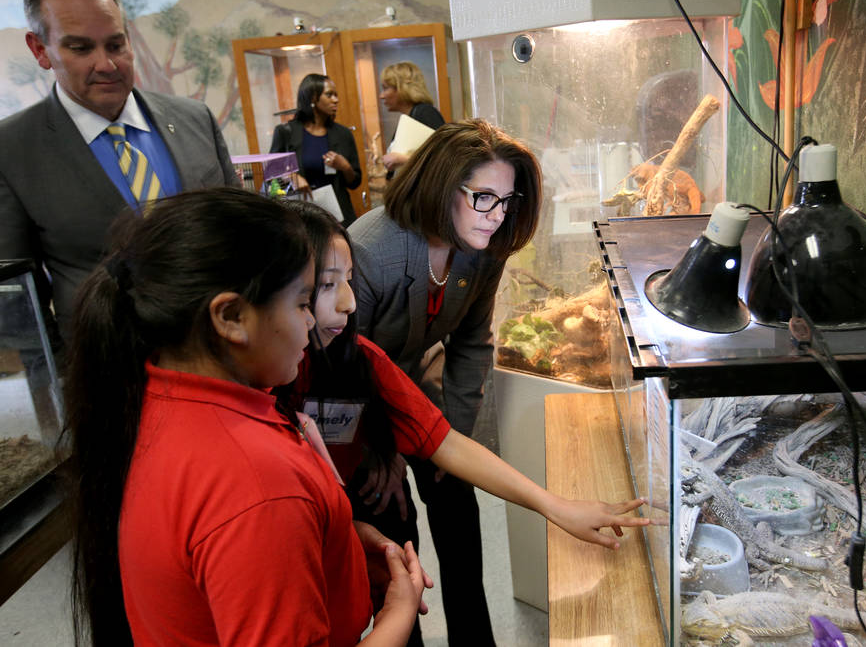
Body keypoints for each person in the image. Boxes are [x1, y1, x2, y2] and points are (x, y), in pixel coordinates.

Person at [64, 187, 427, 647]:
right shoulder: (255, 481)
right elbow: (255, 515)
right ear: (232, 316)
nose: (312, 321)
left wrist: (335, 539)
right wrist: (398, 612)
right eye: (301, 302)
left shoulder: (153, 403)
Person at [277, 201, 649, 645]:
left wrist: (554, 505)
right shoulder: (269, 385)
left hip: (353, 506)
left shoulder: (360, 355)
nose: (349, 301)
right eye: (323, 287)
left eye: (350, 281)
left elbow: (446, 443)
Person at [347, 119, 543, 645]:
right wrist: (379, 453)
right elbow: (338, 370)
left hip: (415, 384)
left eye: (507, 200)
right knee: (394, 525)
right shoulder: (369, 253)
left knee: (458, 504)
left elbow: (472, 345)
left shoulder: (484, 248)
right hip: (354, 405)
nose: (497, 215)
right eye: (483, 197)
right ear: (440, 184)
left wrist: (449, 442)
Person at [0, 0, 238, 344]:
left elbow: (242, 237)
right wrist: (63, 386)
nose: (107, 64)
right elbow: (16, 310)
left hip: (222, 357)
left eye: (116, 45)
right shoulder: (3, 152)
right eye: (81, 48)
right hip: (107, 376)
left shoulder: (195, 119)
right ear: (40, 50)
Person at [270, 73, 362, 226]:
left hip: (338, 220)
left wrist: (345, 167)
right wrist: (291, 177)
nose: (336, 100)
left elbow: (355, 182)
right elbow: (272, 175)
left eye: (336, 95)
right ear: (313, 98)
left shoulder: (343, 134)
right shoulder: (285, 132)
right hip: (300, 220)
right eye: (329, 95)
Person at [378, 61, 446, 173]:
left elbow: (445, 158)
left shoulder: (425, 113)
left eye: (385, 88)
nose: (382, 96)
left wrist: (403, 160)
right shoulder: (409, 117)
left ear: (401, 88)